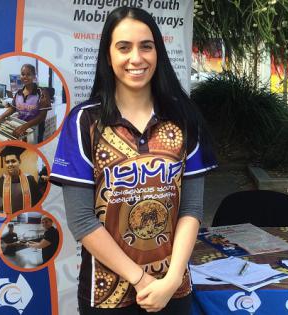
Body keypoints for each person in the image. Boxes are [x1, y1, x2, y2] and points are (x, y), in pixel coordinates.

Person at [50, 7, 216, 314]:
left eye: (146, 46)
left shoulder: (185, 118)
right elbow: (82, 221)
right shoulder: (84, 122)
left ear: (158, 53)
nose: (136, 58)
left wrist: (171, 279)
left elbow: (191, 209)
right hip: (106, 296)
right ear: (108, 55)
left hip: (173, 290)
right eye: (123, 47)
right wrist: (140, 280)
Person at [0, 64, 51, 143]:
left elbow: (42, 116)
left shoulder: (42, 93)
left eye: (28, 74)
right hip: (20, 126)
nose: (25, 76)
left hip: (35, 128)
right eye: (23, 74)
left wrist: (25, 126)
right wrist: (0, 118)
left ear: (34, 76)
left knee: (33, 148)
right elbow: (13, 108)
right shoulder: (18, 92)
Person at [0, 146, 41, 214]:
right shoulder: (0, 182)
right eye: (7, 162)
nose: (10, 164)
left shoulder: (30, 180)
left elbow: (38, 202)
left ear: (19, 161)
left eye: (13, 161)